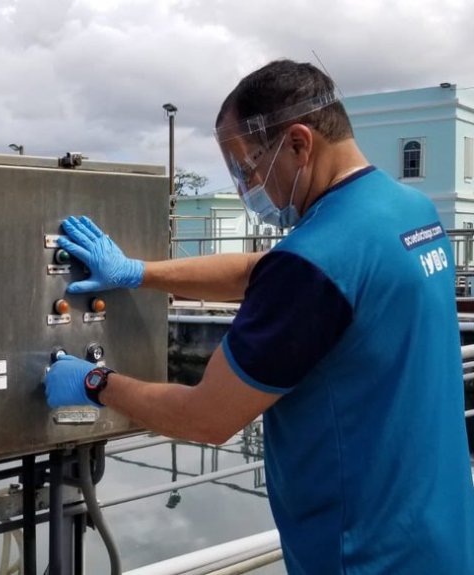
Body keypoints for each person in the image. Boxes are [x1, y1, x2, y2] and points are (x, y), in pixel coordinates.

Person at [45, 59, 474, 573]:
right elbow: (262, 271)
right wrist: (138, 272)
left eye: (249, 168)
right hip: (440, 531)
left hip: (362, 552)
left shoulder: (315, 261)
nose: (252, 188)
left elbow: (207, 418)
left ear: (298, 143)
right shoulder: (408, 210)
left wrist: (92, 382)